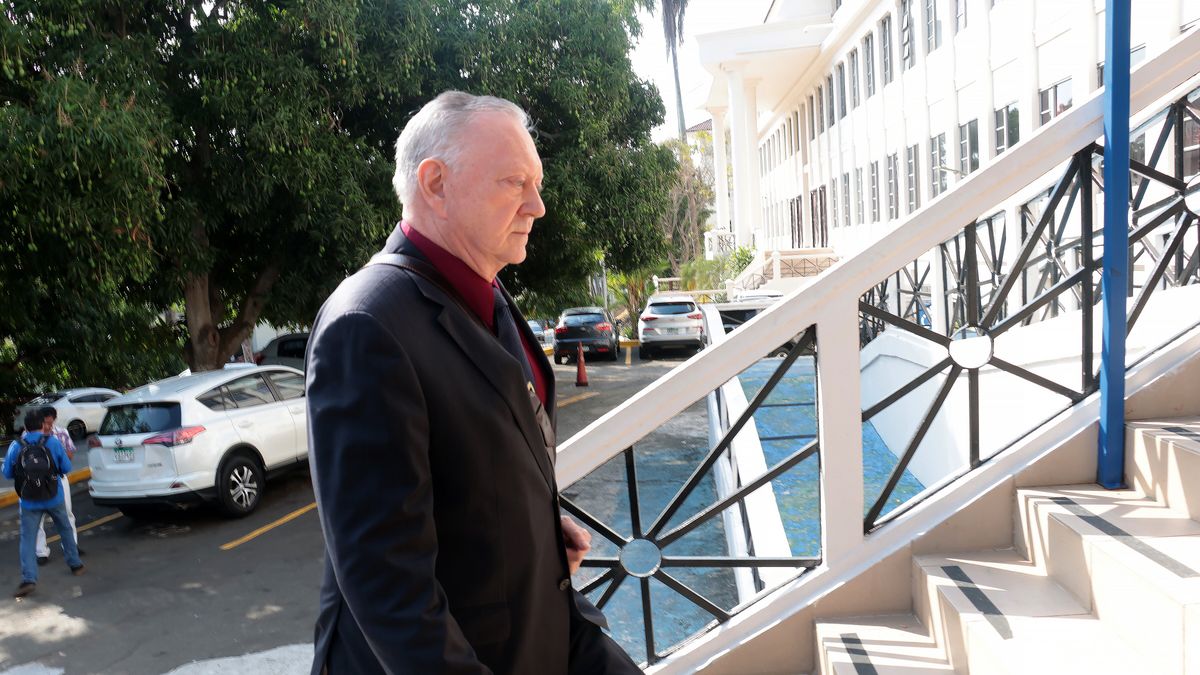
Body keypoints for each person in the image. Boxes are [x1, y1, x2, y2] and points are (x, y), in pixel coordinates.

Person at [307, 91, 641, 674]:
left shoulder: (487, 297)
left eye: (536, 184)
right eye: (515, 182)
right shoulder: (366, 325)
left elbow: (476, 477)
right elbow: (389, 588)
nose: (538, 206)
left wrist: (528, 531)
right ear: (434, 183)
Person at [3, 411, 85, 598]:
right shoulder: (53, 442)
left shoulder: (16, 445)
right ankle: (75, 564)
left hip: (29, 501)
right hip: (54, 497)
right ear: (42, 425)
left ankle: (29, 579)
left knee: (28, 539)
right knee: (65, 528)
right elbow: (66, 468)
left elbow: (7, 473)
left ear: (25, 427)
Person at [34, 406, 82, 565]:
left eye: (50, 422)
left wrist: (56, 451)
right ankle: (41, 552)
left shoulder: (61, 433)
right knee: (38, 516)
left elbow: (69, 455)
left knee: (67, 513)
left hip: (58, 478)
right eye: (44, 423)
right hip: (36, 480)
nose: (47, 426)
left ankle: (71, 545)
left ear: (54, 420)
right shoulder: (30, 434)